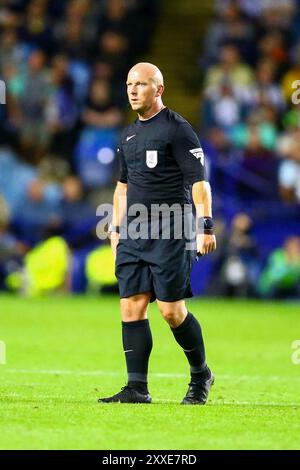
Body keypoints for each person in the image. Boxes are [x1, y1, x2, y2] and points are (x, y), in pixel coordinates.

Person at [98, 63, 216, 405]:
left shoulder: (178, 130)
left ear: (158, 89)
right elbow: (122, 188)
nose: (133, 90)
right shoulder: (128, 135)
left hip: (172, 228)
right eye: (129, 84)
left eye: (141, 84)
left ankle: (201, 375)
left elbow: (199, 181)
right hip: (134, 231)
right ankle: (137, 388)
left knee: (170, 311)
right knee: (131, 306)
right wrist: (115, 230)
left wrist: (205, 224)